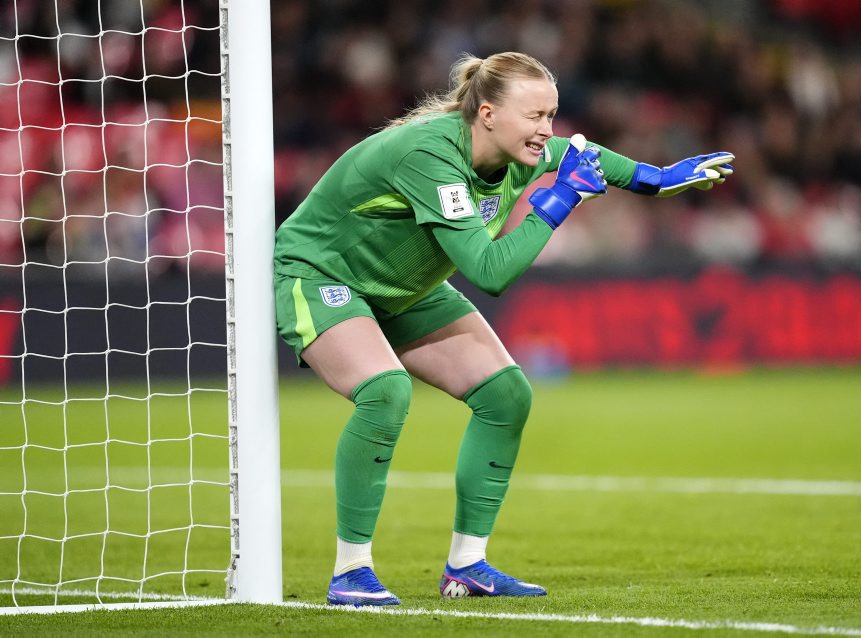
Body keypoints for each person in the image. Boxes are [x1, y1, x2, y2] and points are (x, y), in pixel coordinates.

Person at [273, 51, 734, 607]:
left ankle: (467, 566)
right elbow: (490, 273)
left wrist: (658, 179)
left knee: (506, 395)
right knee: (386, 392)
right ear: (488, 114)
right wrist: (560, 200)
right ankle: (351, 570)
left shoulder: (521, 150)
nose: (547, 130)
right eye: (535, 115)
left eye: (551, 114)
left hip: (402, 287)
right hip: (321, 274)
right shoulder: (432, 157)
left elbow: (586, 154)